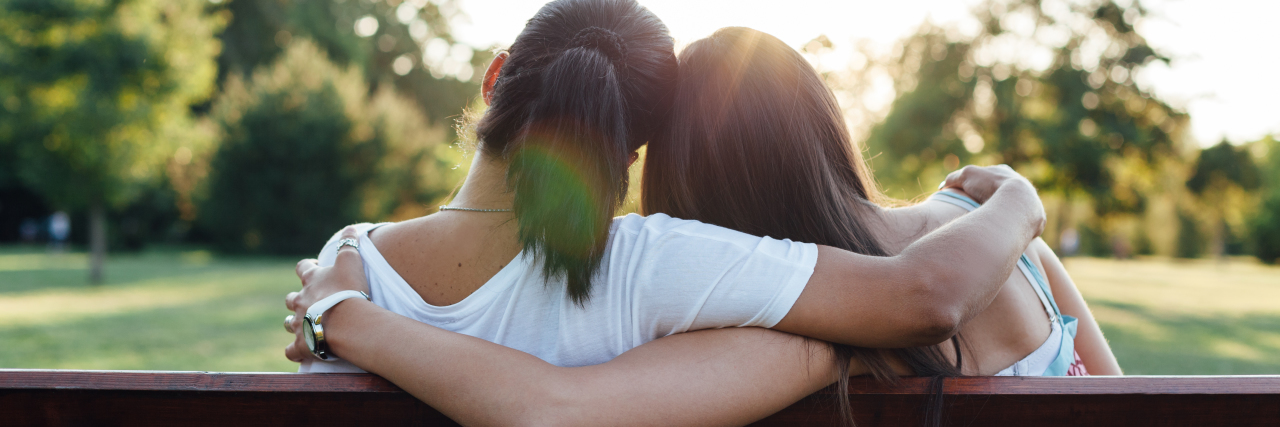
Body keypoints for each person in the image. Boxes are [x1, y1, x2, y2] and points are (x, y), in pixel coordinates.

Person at [284, 0, 1046, 423]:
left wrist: (346, 314)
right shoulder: (662, 259)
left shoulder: (351, 262)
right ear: (631, 149)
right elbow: (920, 296)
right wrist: (1020, 197)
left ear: (494, 80)